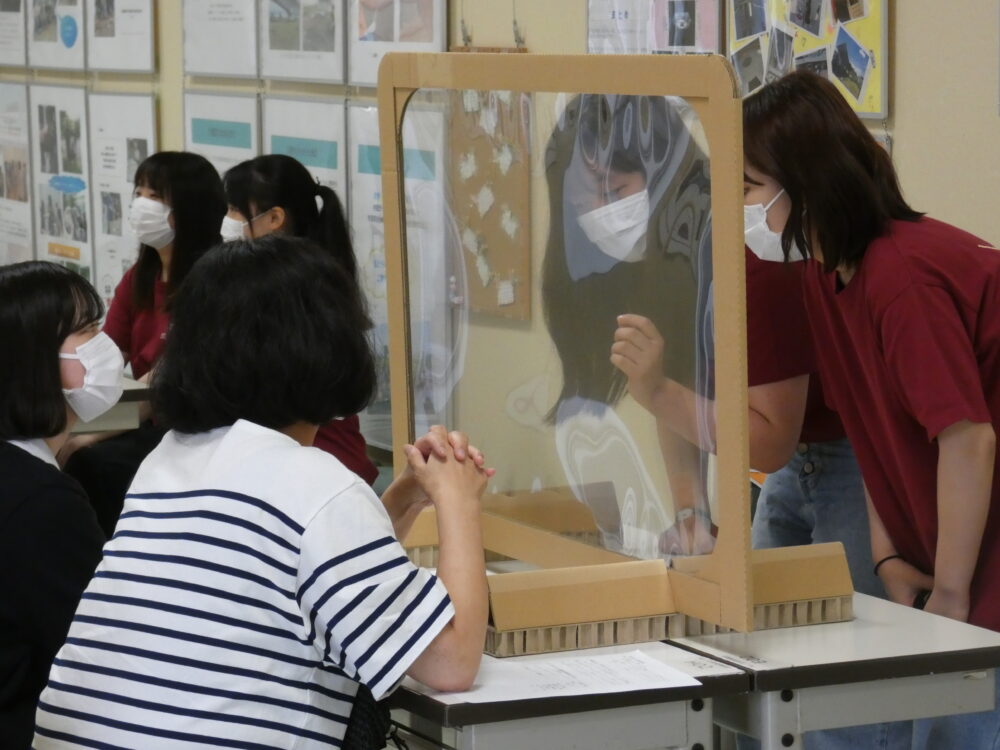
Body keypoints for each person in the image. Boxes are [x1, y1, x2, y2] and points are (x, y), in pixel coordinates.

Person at [33, 235, 491, 749]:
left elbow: (301, 568)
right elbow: (450, 663)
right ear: (326, 347)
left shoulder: (167, 461)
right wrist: (458, 501)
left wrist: (402, 501)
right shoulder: (317, 485)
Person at [743, 70, 1000, 749]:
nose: (736, 209)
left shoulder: (902, 278)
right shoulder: (828, 275)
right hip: (948, 542)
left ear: (804, 186)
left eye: (746, 189)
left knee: (961, 720)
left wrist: (949, 591)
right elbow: (870, 423)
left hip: (983, 548)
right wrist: (888, 553)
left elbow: (968, 438)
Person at [541, 93, 714, 559]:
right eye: (582, 201)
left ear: (663, 175)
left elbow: (765, 434)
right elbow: (679, 390)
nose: (599, 211)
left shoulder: (717, 244)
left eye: (615, 193)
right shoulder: (636, 261)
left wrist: (657, 390)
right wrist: (689, 513)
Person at [62, 151, 227, 536]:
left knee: (93, 460)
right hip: (147, 418)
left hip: (195, 426)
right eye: (140, 191)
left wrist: (92, 433)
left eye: (156, 196)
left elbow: (168, 379)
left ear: (189, 207)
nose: (141, 204)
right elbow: (103, 353)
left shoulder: (216, 279)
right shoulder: (142, 275)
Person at [0, 261, 116, 746]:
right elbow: (98, 650)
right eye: (85, 331)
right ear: (33, 359)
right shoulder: (42, 502)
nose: (102, 345)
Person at [222, 154, 379, 485]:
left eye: (235, 209)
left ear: (275, 217)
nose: (228, 219)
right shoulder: (288, 276)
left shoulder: (290, 286)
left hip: (316, 457)